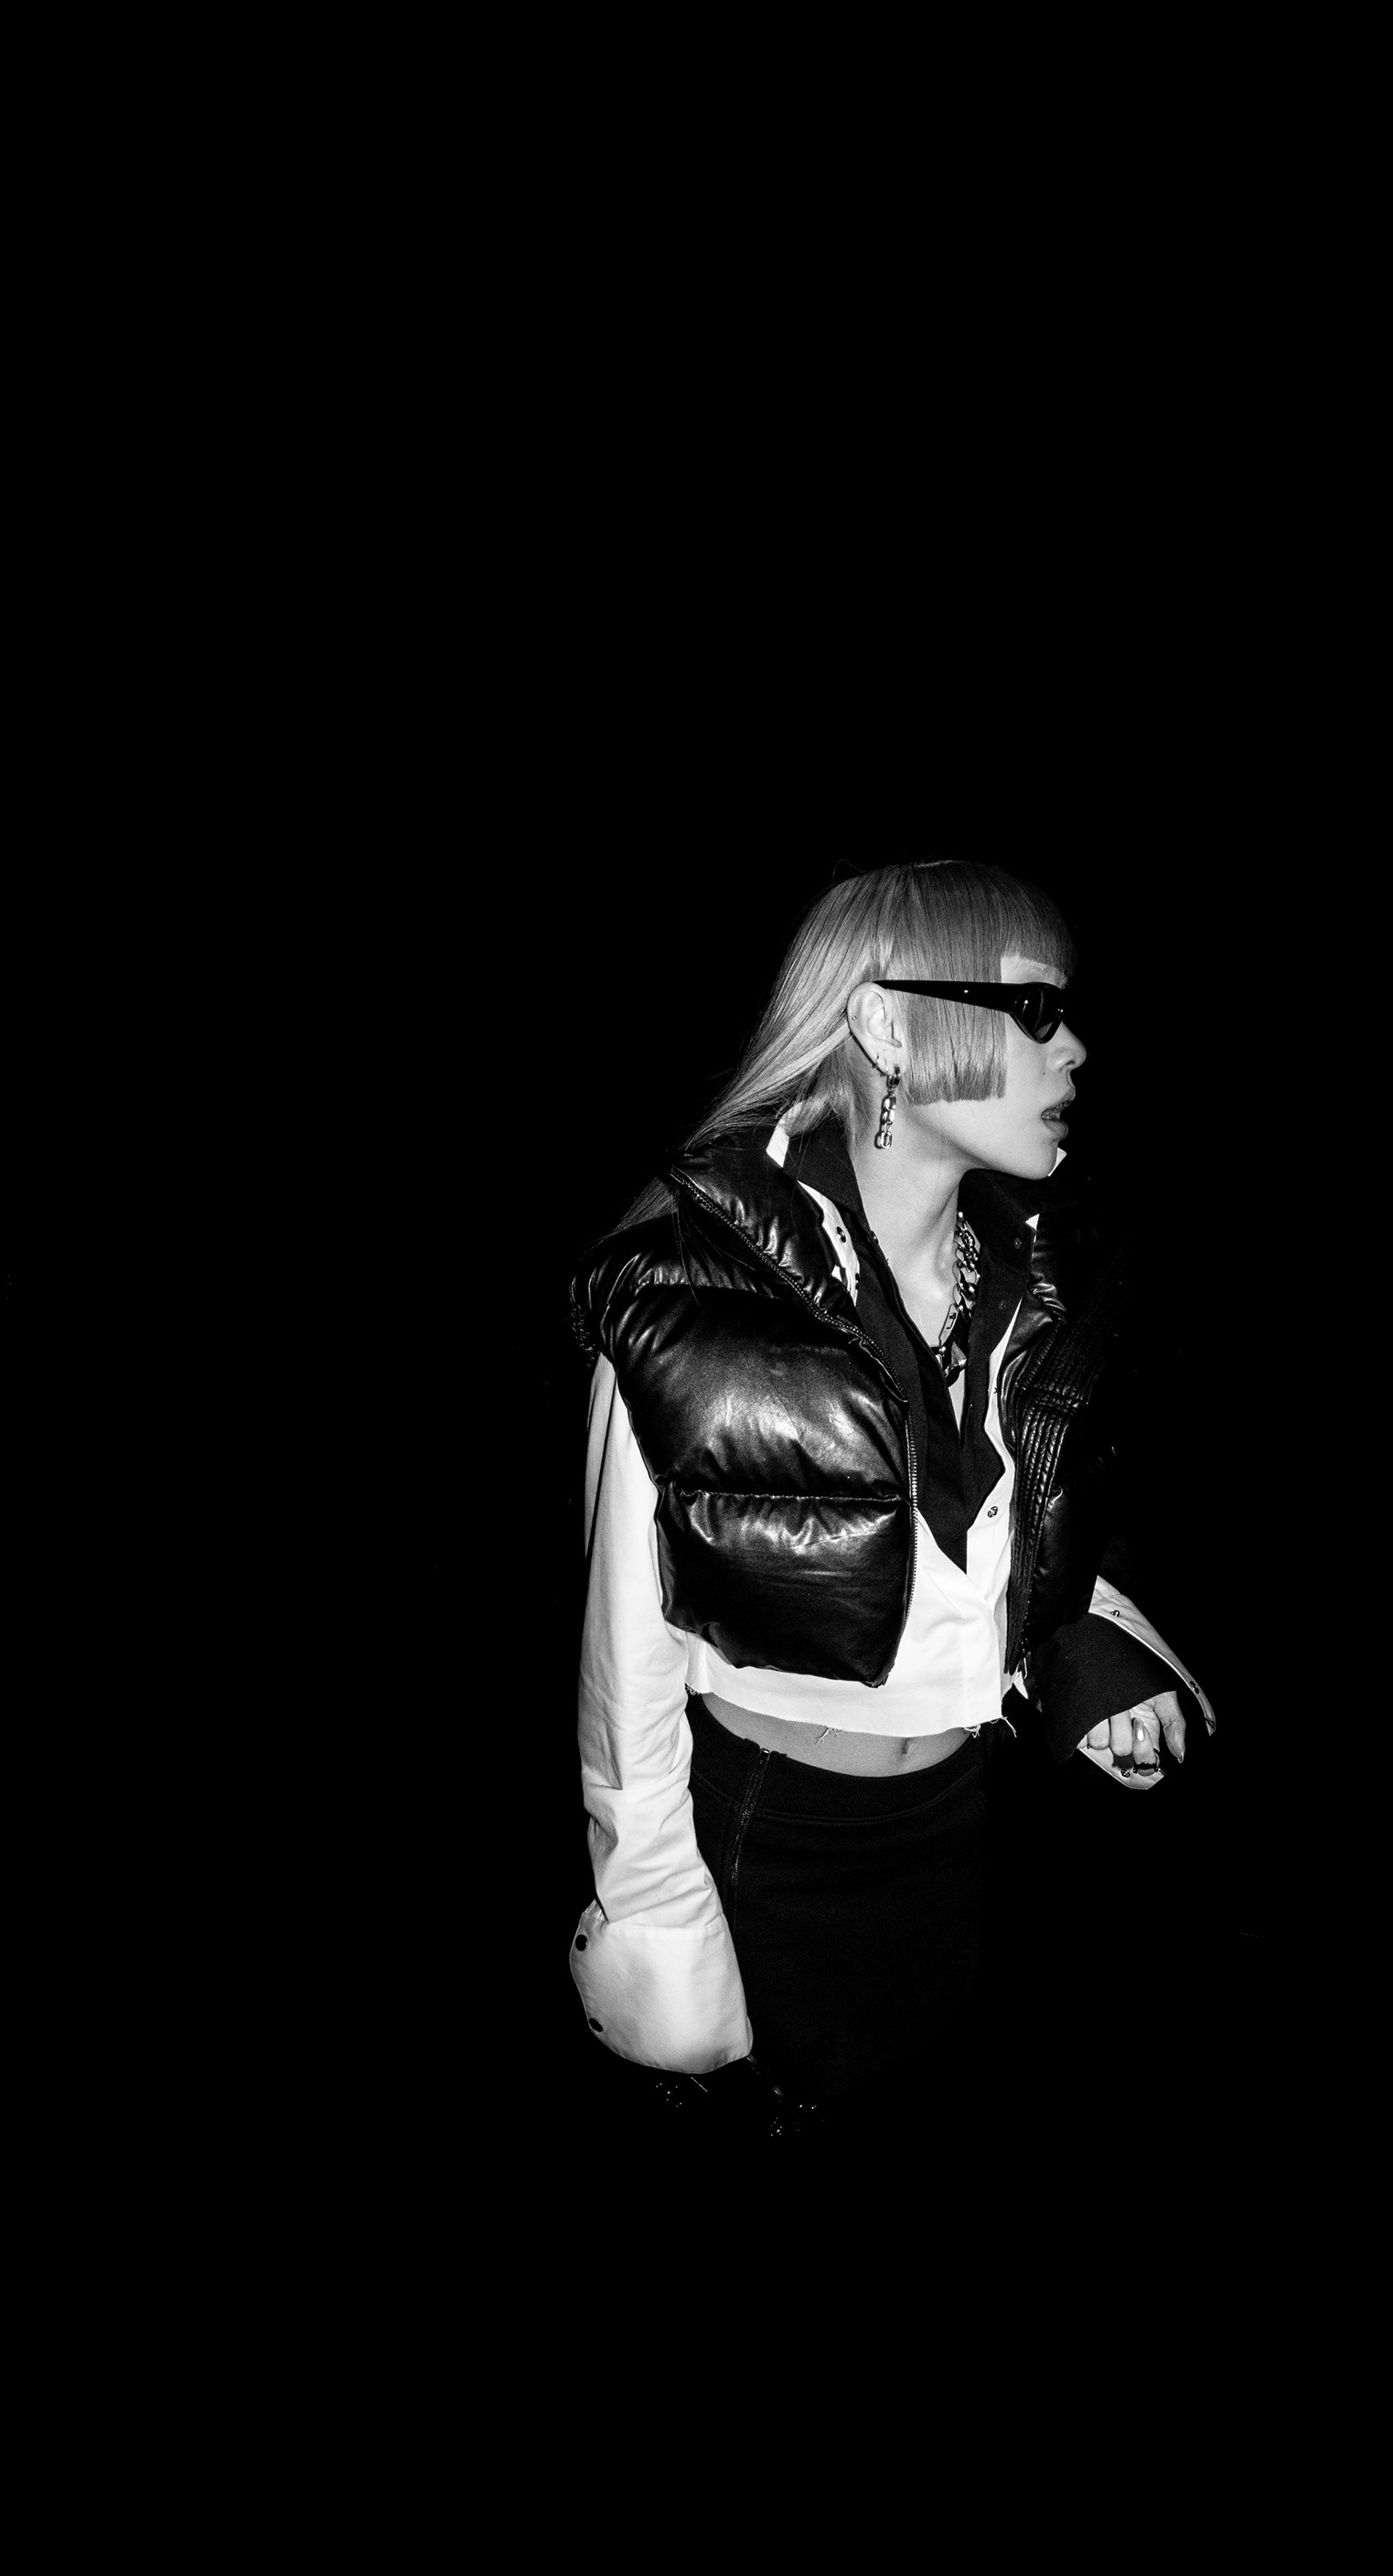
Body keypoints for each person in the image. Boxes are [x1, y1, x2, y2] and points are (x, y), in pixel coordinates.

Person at [565, 860, 1216, 2149]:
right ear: (885, 1024)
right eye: (1033, 1010)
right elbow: (624, 1669)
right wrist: (661, 1925)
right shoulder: (698, 1289)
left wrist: (1082, 1655)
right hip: (773, 1853)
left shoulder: (1038, 1272)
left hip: (964, 1826)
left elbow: (1007, 1539)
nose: (1075, 1046)